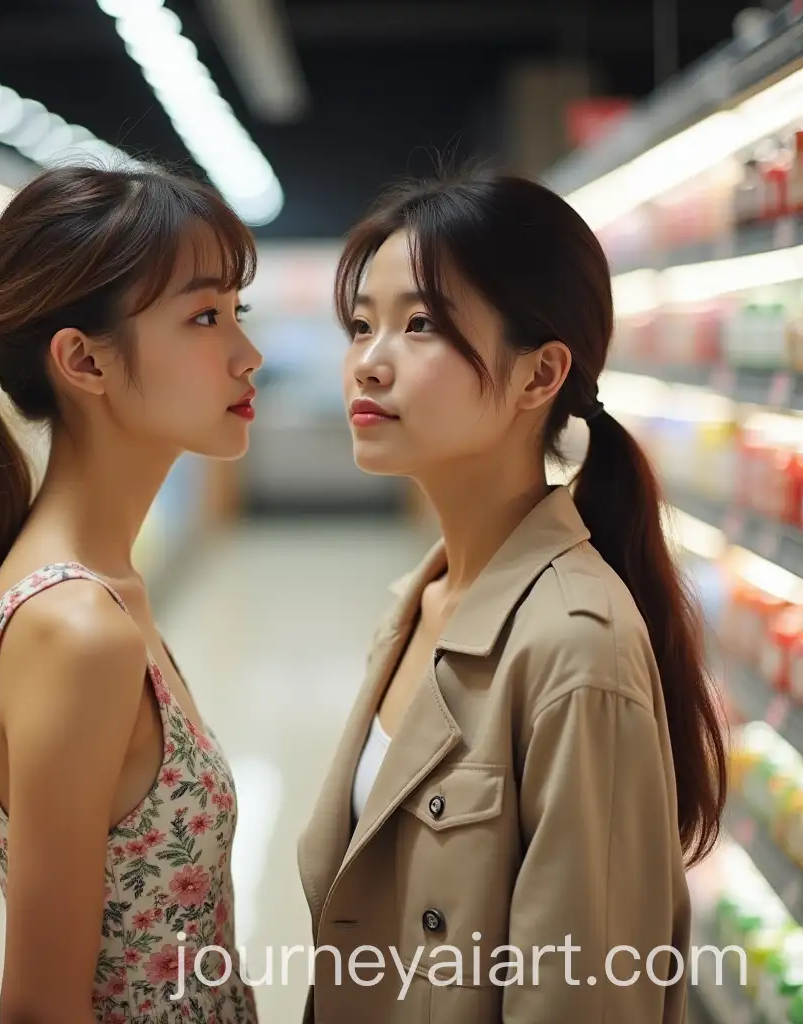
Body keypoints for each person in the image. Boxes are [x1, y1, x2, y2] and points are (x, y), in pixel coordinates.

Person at [296, 173, 728, 1024]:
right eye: (361, 324)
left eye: (419, 325)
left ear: (540, 377)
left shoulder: (577, 645)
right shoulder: (419, 602)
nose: (369, 361)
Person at [0, 163, 263, 1024]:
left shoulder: (105, 588)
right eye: (206, 317)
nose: (247, 354)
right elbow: (38, 1007)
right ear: (83, 361)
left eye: (236, 313)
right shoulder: (77, 629)